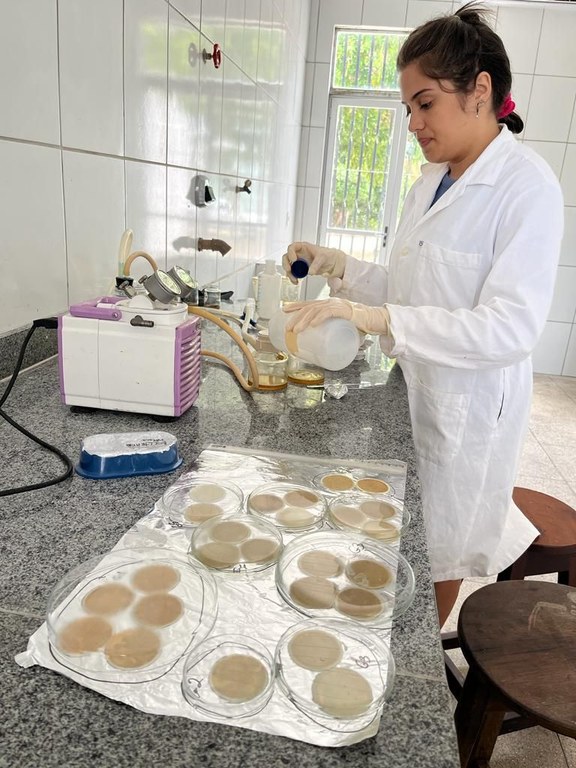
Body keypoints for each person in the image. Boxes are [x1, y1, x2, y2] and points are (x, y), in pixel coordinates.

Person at [281, 2, 564, 627]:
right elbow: (412, 291)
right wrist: (340, 267)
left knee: (436, 553)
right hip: (410, 387)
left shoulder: (527, 187)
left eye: (425, 103)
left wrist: (380, 320)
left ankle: (414, 668)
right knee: (398, 538)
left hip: (466, 410)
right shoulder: (431, 179)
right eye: (408, 106)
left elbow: (511, 328)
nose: (413, 122)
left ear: (479, 91)